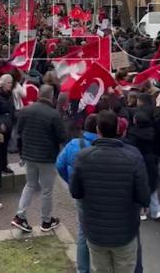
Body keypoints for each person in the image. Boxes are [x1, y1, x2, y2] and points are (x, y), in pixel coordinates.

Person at [70, 110, 150, 273]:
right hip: (125, 232)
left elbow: (75, 192)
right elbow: (143, 195)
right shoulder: (133, 157)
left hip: (95, 232)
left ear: (98, 130)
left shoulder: (82, 157)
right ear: (118, 129)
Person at [11, 85, 67, 233]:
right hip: (47, 157)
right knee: (47, 190)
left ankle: (20, 216)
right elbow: (62, 137)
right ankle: (46, 221)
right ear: (51, 96)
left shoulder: (25, 111)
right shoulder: (53, 114)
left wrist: (22, 153)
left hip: (29, 155)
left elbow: (19, 132)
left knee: (30, 185)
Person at [56, 113, 99, 273]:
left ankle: (83, 269)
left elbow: (60, 165)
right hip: (101, 194)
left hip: (81, 194)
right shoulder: (103, 146)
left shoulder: (74, 144)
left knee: (83, 232)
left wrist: (71, 183)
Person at [124, 110, 160, 221]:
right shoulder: (153, 131)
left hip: (139, 160)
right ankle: (157, 211)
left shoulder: (133, 133)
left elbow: (131, 147)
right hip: (152, 160)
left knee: (139, 185)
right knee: (152, 186)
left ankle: (142, 211)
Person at [0, 74, 17, 174]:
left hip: (9, 124)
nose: (10, 85)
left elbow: (12, 108)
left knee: (5, 147)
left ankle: (4, 165)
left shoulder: (9, 94)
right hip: (0, 126)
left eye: (11, 83)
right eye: (8, 83)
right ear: (2, 84)